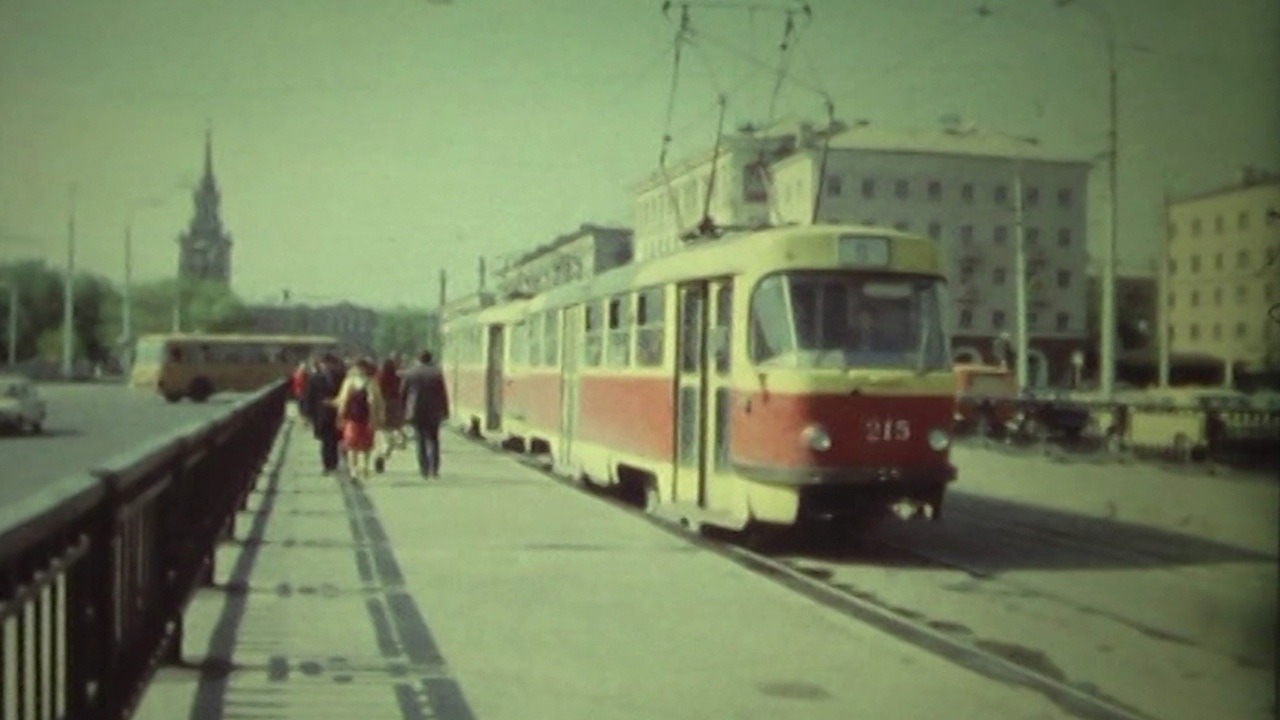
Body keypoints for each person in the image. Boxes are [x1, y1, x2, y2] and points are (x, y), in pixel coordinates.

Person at [399, 350, 450, 478]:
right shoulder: (436, 373)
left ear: (418, 359)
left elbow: (403, 394)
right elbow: (442, 394)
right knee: (433, 440)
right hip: (434, 412)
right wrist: (445, 411)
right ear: (430, 359)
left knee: (420, 441)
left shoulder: (410, 373)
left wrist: (403, 411)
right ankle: (434, 468)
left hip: (416, 411)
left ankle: (424, 469)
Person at [334, 359, 385, 482]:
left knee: (365, 445)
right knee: (352, 445)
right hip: (353, 418)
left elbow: (378, 401)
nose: (359, 370)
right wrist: (340, 416)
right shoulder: (352, 382)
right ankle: (354, 470)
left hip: (366, 417)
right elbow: (343, 401)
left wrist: (379, 416)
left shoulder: (370, 382)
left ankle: (364, 467)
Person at [301, 354, 345, 474]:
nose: (327, 367)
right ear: (321, 365)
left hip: (337, 412)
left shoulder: (341, 377)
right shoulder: (315, 379)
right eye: (325, 364)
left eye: (330, 364)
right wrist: (306, 414)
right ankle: (327, 465)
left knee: (335, 440)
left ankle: (334, 464)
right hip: (321, 413)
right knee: (326, 440)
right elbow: (308, 397)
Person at [374, 356, 407, 473]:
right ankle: (383, 456)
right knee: (392, 440)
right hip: (394, 409)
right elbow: (401, 395)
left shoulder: (377, 379)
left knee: (383, 436)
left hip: (381, 408)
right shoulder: (397, 379)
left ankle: (380, 456)